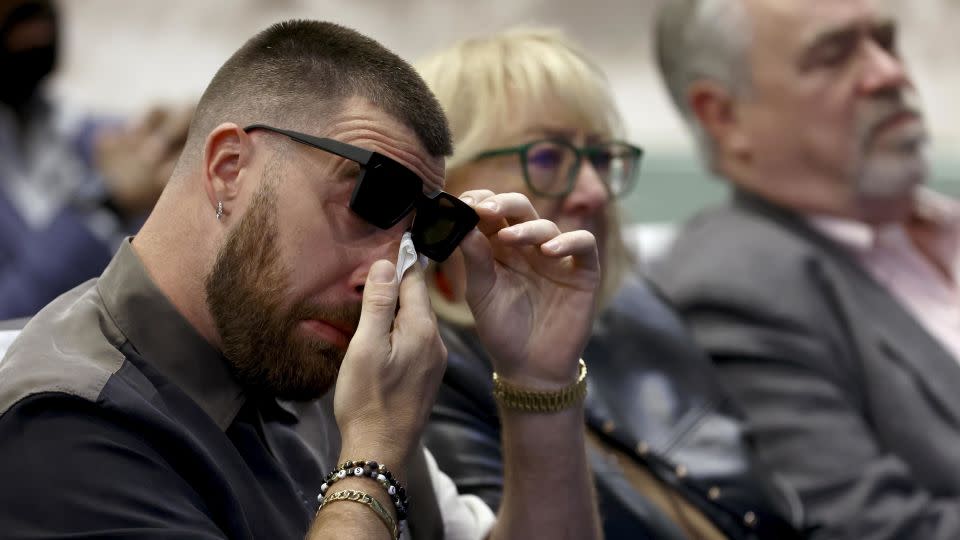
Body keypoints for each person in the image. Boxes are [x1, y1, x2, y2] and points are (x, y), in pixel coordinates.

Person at [0, 20, 603, 539]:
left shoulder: (314, 370)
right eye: (369, 199)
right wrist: (370, 460)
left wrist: (539, 383)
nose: (384, 274)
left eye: (422, 231)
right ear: (229, 169)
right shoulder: (65, 421)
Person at [415, 28, 805, 539]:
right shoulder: (423, 373)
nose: (595, 191)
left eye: (600, 158)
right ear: (448, 182)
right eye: (549, 159)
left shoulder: (635, 305)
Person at [651, 1, 960, 538]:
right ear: (724, 116)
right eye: (834, 55)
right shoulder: (737, 288)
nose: (890, 72)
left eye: (884, 40)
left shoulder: (940, 223)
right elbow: (873, 530)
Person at [0, 0, 190, 318]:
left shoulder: (68, 127)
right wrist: (102, 202)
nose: (39, 25)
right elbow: (9, 316)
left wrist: (180, 149)